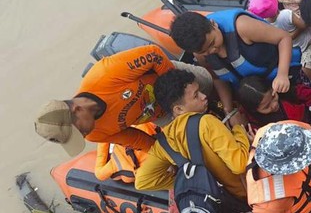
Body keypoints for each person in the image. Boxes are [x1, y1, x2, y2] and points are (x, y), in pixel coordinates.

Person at [34, 45, 211, 153]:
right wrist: (167, 156)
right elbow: (137, 140)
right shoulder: (95, 134)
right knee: (198, 139)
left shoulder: (104, 75)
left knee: (209, 84)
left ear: (77, 110)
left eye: (79, 132)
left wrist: (177, 91)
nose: (84, 137)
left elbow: (153, 54)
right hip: (160, 114)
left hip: (173, 80)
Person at [135, 69, 251, 199]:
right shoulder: (206, 122)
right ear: (178, 109)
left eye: (200, 90)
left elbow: (143, 181)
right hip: (244, 194)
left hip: (218, 203)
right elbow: (239, 164)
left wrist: (191, 184)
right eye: (196, 95)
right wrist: (239, 129)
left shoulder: (164, 141)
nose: (204, 96)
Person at [169, 10, 293, 129]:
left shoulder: (242, 26)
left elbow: (284, 38)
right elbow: (218, 79)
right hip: (255, 96)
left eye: (212, 43)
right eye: (204, 51)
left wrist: (282, 74)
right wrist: (229, 111)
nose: (212, 50)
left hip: (284, 78)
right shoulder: (200, 54)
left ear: (213, 24)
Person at [236, 75, 311, 135]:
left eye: (273, 96)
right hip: (298, 144)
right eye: (266, 107)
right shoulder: (254, 124)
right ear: (255, 110)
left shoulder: (287, 93)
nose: (274, 104)